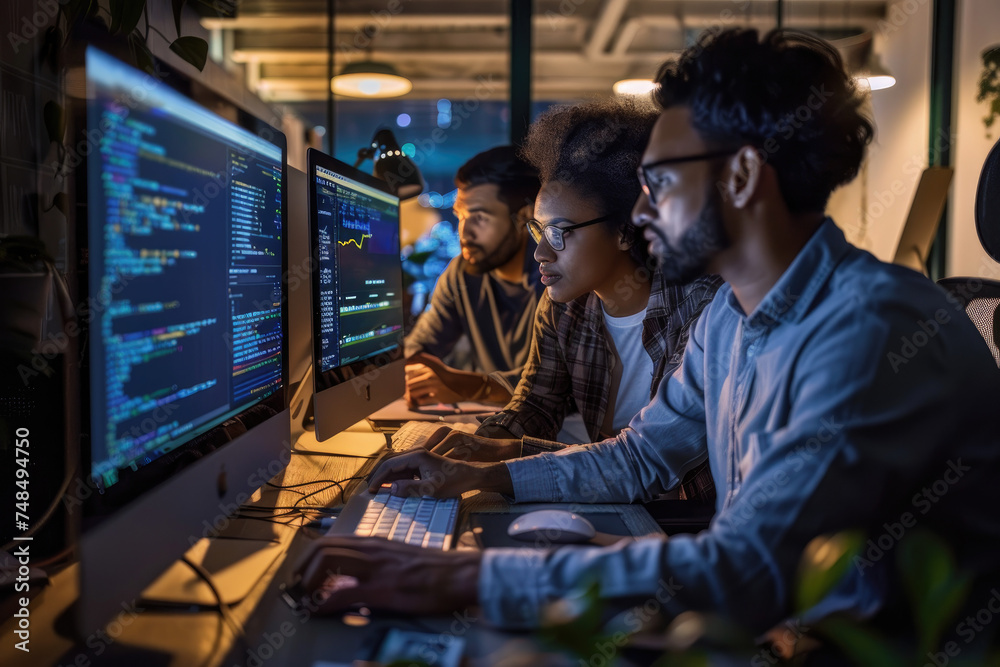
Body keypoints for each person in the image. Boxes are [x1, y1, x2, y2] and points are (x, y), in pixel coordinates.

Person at [294, 28, 1000, 647]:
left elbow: (746, 567)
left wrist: (463, 573)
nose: (639, 208)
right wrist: (488, 474)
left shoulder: (867, 330)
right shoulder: (733, 315)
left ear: (746, 175)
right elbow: (639, 457)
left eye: (659, 180)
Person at [461, 99, 721, 506]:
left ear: (624, 231)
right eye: (538, 230)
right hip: (608, 502)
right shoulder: (565, 306)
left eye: (560, 233)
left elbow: (647, 463)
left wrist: (498, 465)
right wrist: (473, 447)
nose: (540, 254)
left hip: (680, 524)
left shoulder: (698, 306)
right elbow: (536, 404)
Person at [403, 145, 542, 407]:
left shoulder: (555, 277)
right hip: (487, 422)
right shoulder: (461, 273)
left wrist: (470, 387)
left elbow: (555, 389)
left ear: (524, 218)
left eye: (479, 217)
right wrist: (421, 373)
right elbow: (419, 347)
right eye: (460, 216)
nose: (464, 233)